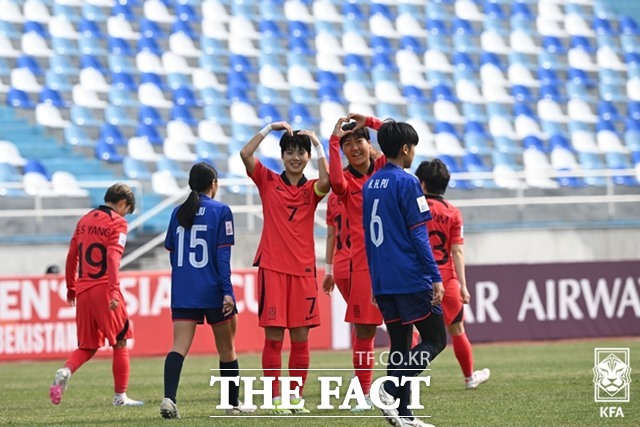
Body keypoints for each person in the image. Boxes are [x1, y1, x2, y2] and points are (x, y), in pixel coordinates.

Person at [240, 121, 330, 414]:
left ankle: (295, 398)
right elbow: (245, 153)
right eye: (289, 152)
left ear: (306, 157)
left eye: (300, 153)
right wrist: (269, 128)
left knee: (302, 337)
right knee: (275, 336)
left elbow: (330, 181)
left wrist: (317, 144)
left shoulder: (311, 189)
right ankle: (274, 397)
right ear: (282, 156)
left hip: (304, 270)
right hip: (273, 269)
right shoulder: (267, 181)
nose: (294, 157)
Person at [362, 120, 446, 427]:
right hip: (410, 275)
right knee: (436, 339)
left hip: (384, 278)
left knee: (400, 345)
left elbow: (368, 237)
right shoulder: (407, 182)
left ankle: (405, 415)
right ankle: (389, 391)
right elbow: (419, 235)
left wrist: (374, 279)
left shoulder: (370, 183)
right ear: (406, 149)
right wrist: (435, 275)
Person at [161, 162, 252, 419]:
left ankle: (169, 399)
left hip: (184, 288)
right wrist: (228, 292)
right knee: (226, 348)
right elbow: (223, 257)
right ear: (214, 184)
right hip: (212, 289)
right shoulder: (221, 210)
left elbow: (172, 251)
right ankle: (231, 403)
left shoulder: (177, 212)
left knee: (178, 346)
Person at [49, 183, 142, 407]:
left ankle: (66, 370)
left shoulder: (85, 220)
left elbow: (72, 254)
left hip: (83, 290)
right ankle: (120, 397)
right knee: (120, 341)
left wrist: (71, 287)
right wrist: (113, 291)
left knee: (87, 346)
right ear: (123, 204)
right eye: (127, 211)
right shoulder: (117, 222)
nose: (125, 215)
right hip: (103, 288)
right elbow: (112, 258)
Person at [415, 159, 490, 390]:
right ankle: (469, 378)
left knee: (413, 331)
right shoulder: (453, 213)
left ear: (423, 183)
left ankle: (406, 378)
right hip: (447, 278)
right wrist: (464, 286)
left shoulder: (412, 206)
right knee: (457, 330)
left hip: (417, 277)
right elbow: (457, 251)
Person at [328, 113, 386, 406]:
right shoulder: (347, 183)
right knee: (365, 329)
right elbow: (335, 181)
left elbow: (397, 136)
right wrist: (332, 141)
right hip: (364, 265)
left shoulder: (385, 169)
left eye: (358, 140)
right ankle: (363, 391)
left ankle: (403, 381)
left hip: (396, 261)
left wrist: (369, 120)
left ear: (369, 143)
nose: (354, 147)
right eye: (347, 144)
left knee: (407, 325)